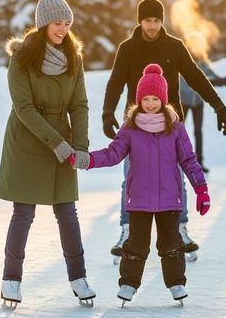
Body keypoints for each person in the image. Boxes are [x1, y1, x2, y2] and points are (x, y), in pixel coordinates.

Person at [102, 0, 226, 260]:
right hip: (136, 125)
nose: (152, 26)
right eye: (148, 20)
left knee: (176, 178)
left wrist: (219, 107)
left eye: (157, 20)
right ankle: (127, 230)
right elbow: (115, 82)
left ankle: (181, 229)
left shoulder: (174, 46)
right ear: (140, 21)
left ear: (162, 21)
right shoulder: (127, 49)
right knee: (131, 177)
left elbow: (196, 77)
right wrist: (107, 113)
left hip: (170, 126)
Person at [74, 64, 210, 305]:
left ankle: (176, 283)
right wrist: (89, 160)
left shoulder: (176, 128)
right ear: (138, 100)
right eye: (145, 98)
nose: (149, 103)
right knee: (136, 245)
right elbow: (113, 153)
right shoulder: (130, 128)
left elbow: (189, 160)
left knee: (172, 244)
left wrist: (201, 189)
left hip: (170, 198)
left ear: (163, 99)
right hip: (138, 199)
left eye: (155, 98)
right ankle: (128, 284)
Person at [0, 0, 95, 308]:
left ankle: (79, 278)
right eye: (57, 23)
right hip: (28, 140)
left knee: (67, 211)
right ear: (43, 25)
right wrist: (58, 143)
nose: (63, 29)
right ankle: (11, 279)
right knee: (23, 211)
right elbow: (24, 108)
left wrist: (79, 145)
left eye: (67, 23)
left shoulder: (73, 58)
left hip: (64, 142)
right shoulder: (22, 59)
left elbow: (79, 105)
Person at [179, 31, 226, 173]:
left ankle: (199, 162)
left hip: (198, 102)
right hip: (183, 101)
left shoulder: (203, 64)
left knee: (198, 132)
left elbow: (215, 80)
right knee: (178, 130)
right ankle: (175, 159)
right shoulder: (183, 60)